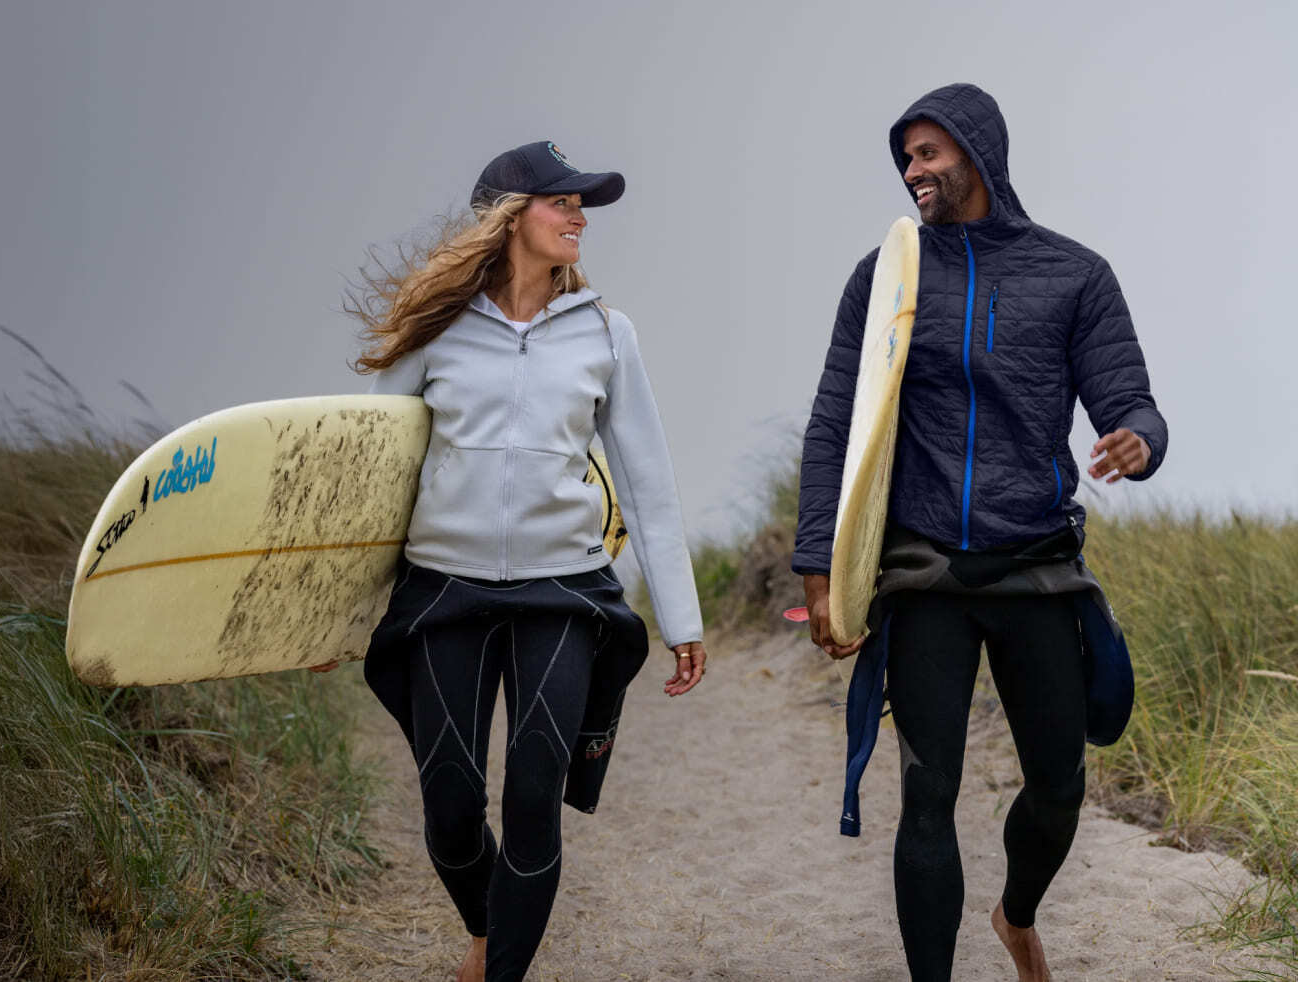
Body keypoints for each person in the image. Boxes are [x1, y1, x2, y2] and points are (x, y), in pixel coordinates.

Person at [792, 83, 1168, 982]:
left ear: (977, 151)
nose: (913, 172)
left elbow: (1132, 400)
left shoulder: (1073, 274)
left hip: (1036, 566)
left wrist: (1139, 443)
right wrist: (819, 563)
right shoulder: (886, 280)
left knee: (1058, 786)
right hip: (925, 577)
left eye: (928, 153)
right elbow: (833, 423)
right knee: (928, 795)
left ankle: (1016, 913)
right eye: (906, 158)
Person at [335, 140, 707, 982]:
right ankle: (486, 927)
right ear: (508, 216)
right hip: (445, 591)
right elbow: (370, 479)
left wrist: (682, 618)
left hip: (563, 593)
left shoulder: (607, 334)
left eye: (583, 205)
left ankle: (501, 969)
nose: (580, 217)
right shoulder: (433, 330)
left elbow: (648, 485)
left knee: (534, 797)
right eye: (563, 202)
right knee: (452, 811)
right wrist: (338, 613)